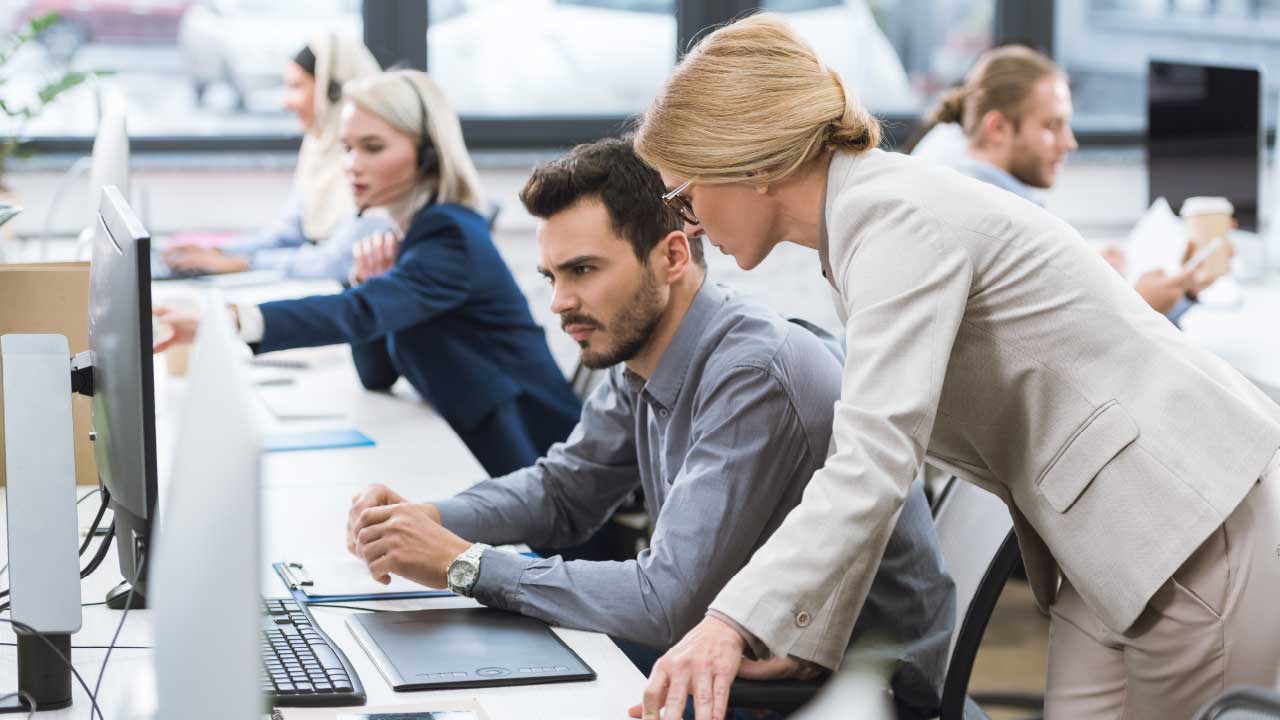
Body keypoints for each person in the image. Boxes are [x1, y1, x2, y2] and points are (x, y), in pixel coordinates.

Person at [629, 13, 1280, 720]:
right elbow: (881, 466)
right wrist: (805, 631)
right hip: (1113, 547)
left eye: (684, 195)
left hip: (1189, 523)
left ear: (751, 164)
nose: (687, 223)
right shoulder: (864, 224)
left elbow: (871, 464)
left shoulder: (893, 221)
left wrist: (733, 622)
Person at [343, 137, 955, 719]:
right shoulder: (641, 349)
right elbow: (564, 493)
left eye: (582, 270)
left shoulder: (751, 374)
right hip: (730, 657)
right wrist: (426, 520)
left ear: (672, 257)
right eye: (551, 277)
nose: (558, 302)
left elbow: (665, 602)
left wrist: (465, 564)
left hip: (844, 695)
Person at [155, 70, 580, 478]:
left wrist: (230, 322)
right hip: (482, 451)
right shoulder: (411, 234)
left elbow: (357, 313)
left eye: (373, 147)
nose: (352, 165)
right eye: (347, 147)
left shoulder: (449, 234)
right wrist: (371, 287)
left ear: (428, 155)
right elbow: (376, 374)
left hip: (539, 467)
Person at [909, 45, 1223, 325]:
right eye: (1052, 126)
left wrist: (1091, 271)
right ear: (998, 128)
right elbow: (1066, 346)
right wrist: (1142, 307)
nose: (1069, 142)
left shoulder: (953, 169)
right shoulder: (997, 222)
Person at [162, 34, 391, 281]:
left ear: (332, 91)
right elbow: (286, 233)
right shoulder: (317, 148)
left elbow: (333, 262)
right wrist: (221, 252)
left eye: (296, 87)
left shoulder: (373, 162)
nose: (285, 102)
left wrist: (245, 263)